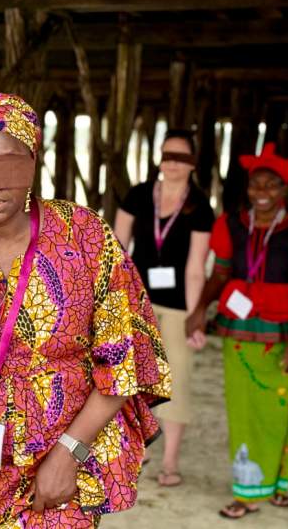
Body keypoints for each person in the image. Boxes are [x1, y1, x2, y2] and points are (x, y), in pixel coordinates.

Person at [0, 89, 171, 528]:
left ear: (31, 161)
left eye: (5, 161)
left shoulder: (83, 235)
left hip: (61, 464)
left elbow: (125, 358)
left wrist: (70, 452)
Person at [185, 142, 288, 519]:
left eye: (271, 186)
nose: (261, 193)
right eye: (255, 185)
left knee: (287, 410)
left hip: (285, 335)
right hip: (241, 336)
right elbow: (219, 274)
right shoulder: (230, 224)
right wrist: (200, 309)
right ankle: (247, 492)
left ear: (285, 190)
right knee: (245, 413)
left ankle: (279, 485)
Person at [114, 129, 214, 487]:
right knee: (134, 379)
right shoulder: (139, 195)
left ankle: (170, 461)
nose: (172, 163)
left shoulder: (200, 206)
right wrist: (115, 303)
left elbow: (194, 268)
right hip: (135, 303)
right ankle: (141, 451)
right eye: (167, 155)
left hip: (175, 307)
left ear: (193, 164)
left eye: (181, 157)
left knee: (177, 381)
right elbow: (118, 251)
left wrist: (194, 319)